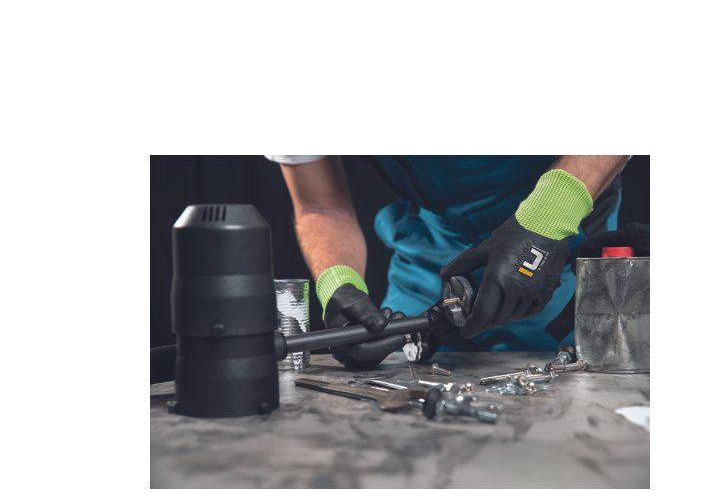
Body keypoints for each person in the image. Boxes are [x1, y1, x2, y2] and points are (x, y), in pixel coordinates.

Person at [270, 155, 646, 368]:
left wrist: (547, 219)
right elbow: (319, 204)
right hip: (430, 263)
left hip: (558, 250)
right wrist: (338, 286)